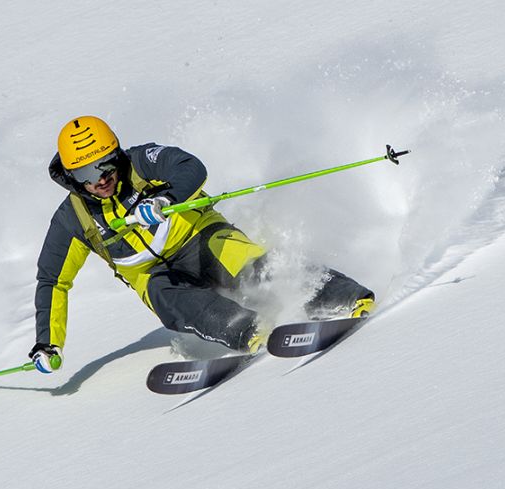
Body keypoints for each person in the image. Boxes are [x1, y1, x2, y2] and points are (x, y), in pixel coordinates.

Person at [27, 116, 374, 373]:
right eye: (87, 174)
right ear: (72, 177)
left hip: (200, 237)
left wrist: (164, 198)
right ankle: (250, 331)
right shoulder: (73, 218)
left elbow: (189, 166)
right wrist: (48, 342)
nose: (101, 179)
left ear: (116, 154)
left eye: (105, 165)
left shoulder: (141, 161)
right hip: (154, 275)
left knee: (251, 266)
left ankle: (344, 295)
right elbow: (53, 281)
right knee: (169, 298)